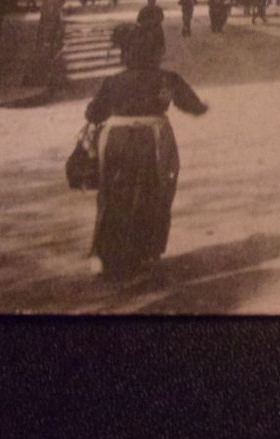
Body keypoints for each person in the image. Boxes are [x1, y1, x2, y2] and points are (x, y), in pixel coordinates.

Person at [83, 23, 209, 280]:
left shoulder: (113, 81)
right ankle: (143, 252)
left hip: (116, 140)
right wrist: (202, 107)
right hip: (154, 140)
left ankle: (107, 255)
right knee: (153, 193)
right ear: (155, 54)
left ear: (126, 55)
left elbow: (93, 113)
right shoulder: (167, 79)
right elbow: (192, 105)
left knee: (112, 194)